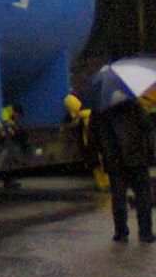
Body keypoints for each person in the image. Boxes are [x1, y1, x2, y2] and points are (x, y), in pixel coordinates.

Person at [87, 98, 154, 243]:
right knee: (143, 195)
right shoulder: (132, 103)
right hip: (137, 158)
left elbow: (92, 137)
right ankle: (145, 232)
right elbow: (147, 125)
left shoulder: (98, 109)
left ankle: (121, 233)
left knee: (118, 197)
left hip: (113, 160)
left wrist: (94, 159)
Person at [64, 93, 110, 192]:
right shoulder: (91, 111)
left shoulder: (82, 113)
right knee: (102, 162)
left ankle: (104, 185)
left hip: (91, 143)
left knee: (96, 164)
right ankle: (107, 184)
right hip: (97, 142)